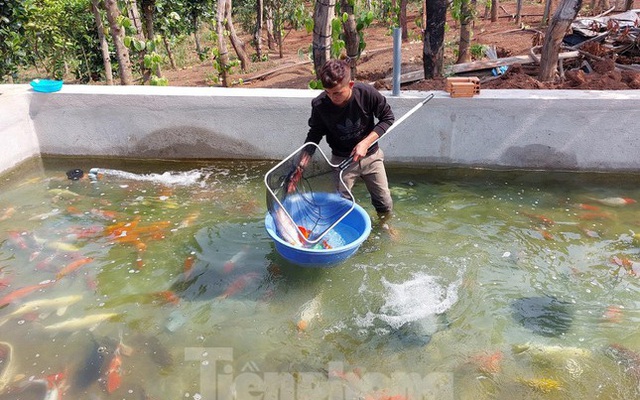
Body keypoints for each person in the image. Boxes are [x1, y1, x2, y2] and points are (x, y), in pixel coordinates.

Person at [294, 59, 395, 217]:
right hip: (342, 161)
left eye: (337, 93)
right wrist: (301, 165)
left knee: (384, 202)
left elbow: (387, 118)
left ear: (351, 84)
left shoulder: (366, 93)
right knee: (341, 203)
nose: (332, 98)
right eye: (328, 93)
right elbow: (314, 134)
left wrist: (365, 143)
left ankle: (386, 225)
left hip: (371, 157)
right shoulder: (320, 104)